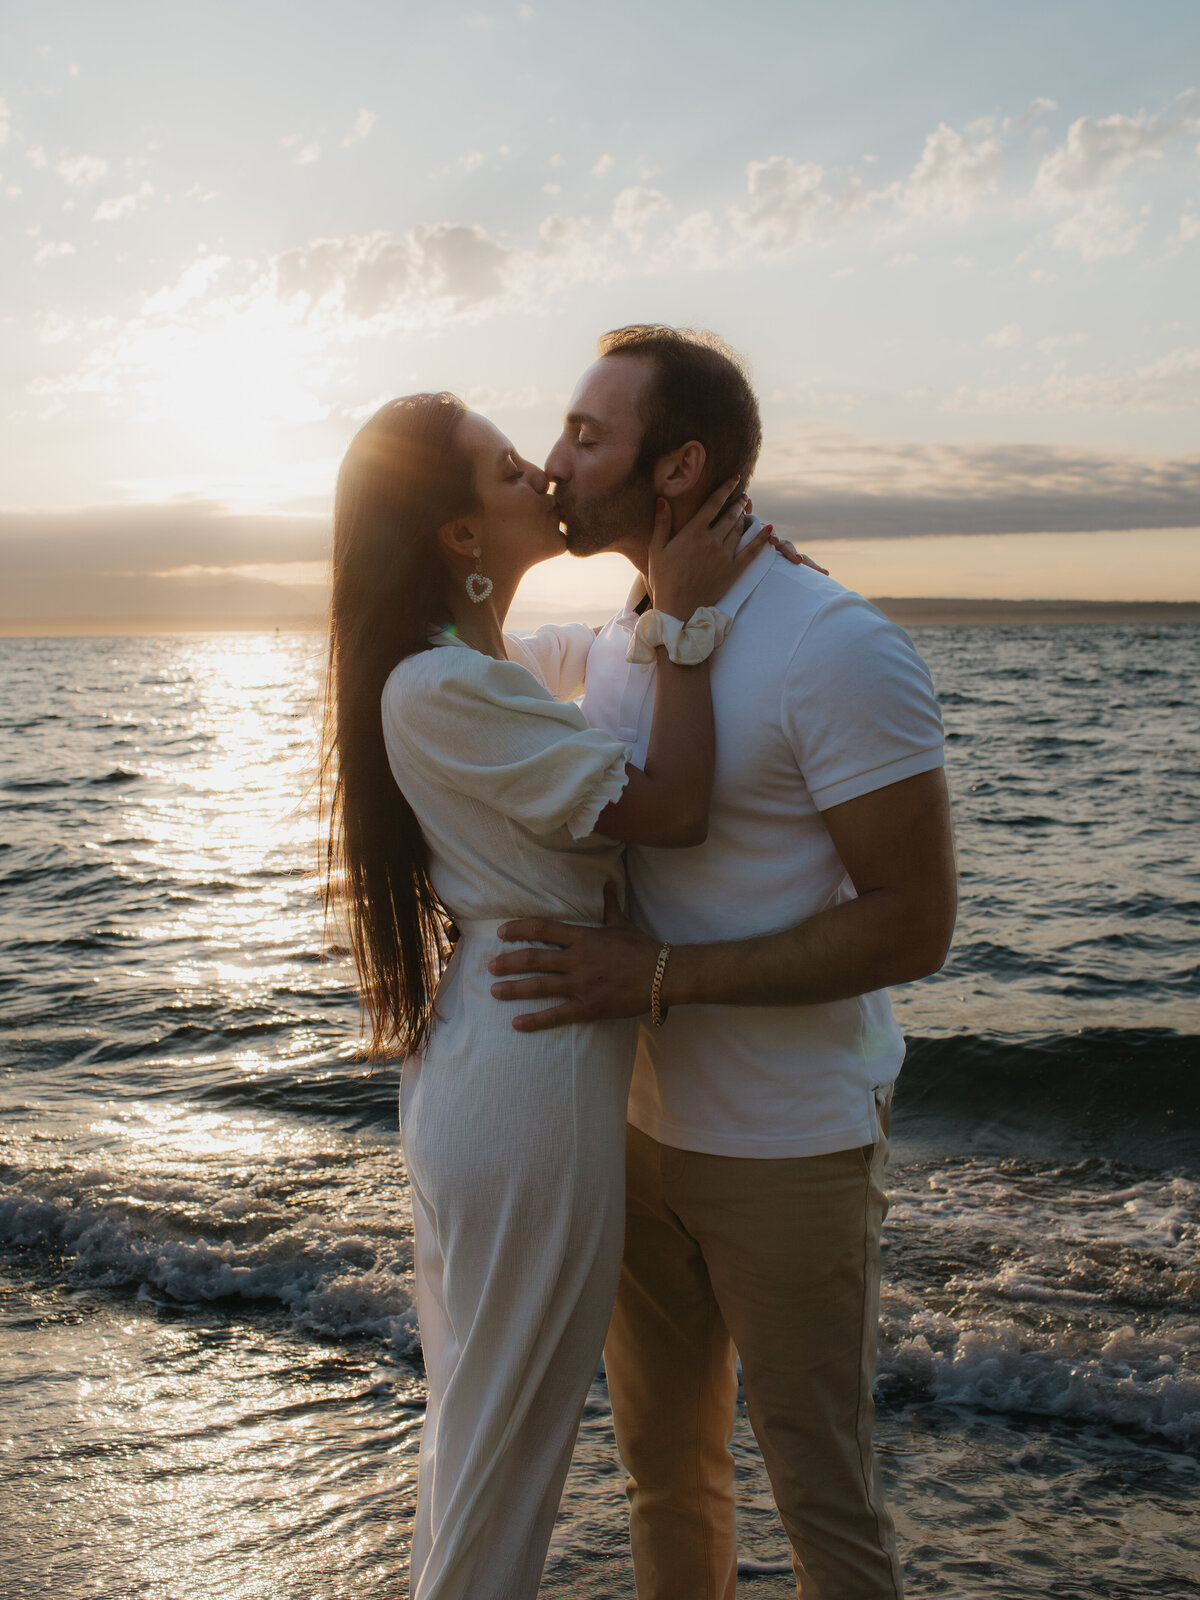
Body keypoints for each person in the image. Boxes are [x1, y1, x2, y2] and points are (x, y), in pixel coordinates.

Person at [488, 326, 959, 1600]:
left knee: (824, 1500)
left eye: (590, 436)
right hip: (635, 1137)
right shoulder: (635, 634)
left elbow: (916, 922)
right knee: (665, 1485)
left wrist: (656, 981)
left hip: (790, 1147)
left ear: (680, 465)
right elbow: (456, 671)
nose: (556, 459)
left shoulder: (834, 644)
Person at [320, 389, 768, 1600]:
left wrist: (655, 593)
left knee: (484, 1440)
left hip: (511, 1054)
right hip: (525, 1075)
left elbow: (590, 681)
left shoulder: (481, 666)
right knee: (499, 1454)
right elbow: (672, 808)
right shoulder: (440, 686)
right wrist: (680, 617)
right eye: (514, 470)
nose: (546, 479)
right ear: (462, 536)